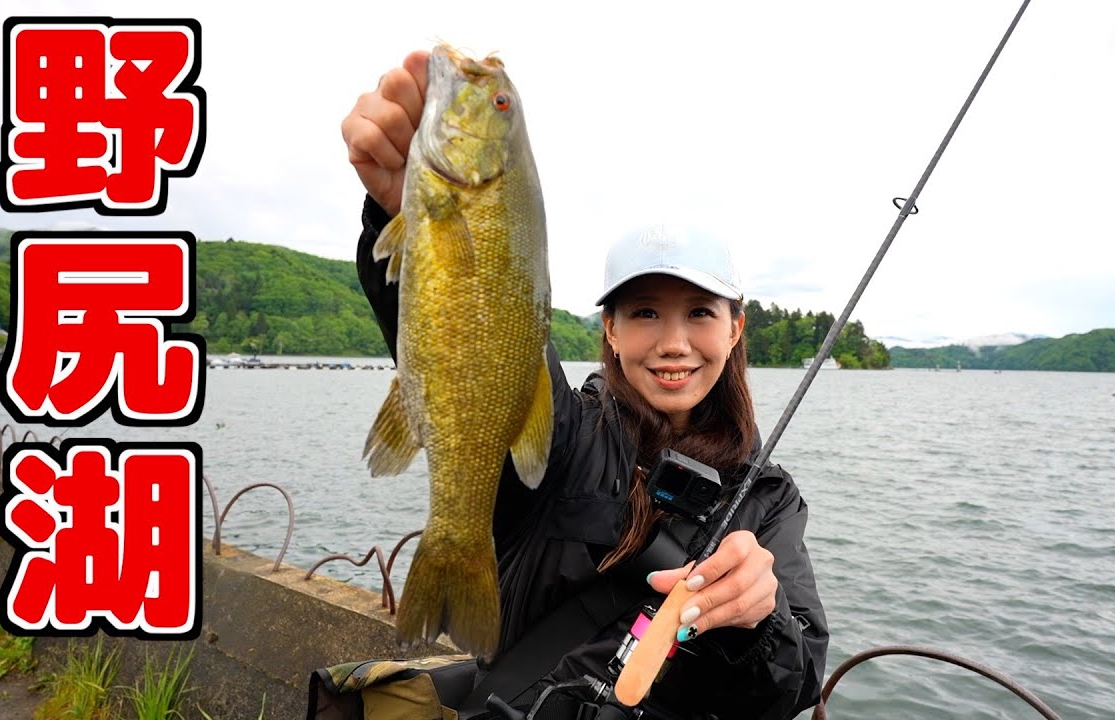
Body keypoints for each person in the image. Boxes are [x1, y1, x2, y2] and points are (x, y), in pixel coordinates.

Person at [340, 51, 829, 720]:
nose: (675, 342)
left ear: (736, 329)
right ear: (612, 331)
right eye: (646, 312)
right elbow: (479, 336)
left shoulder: (767, 502)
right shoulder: (567, 439)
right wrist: (398, 215)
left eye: (700, 313)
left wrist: (758, 617)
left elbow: (787, 689)